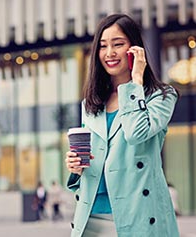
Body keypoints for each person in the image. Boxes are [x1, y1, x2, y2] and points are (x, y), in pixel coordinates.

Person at [65, 13, 180, 236]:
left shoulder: (161, 96)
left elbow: (136, 133)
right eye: (103, 46)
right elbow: (93, 161)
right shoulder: (90, 104)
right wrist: (75, 168)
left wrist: (135, 81)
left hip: (138, 216)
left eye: (118, 44)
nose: (110, 53)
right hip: (90, 217)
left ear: (134, 49)